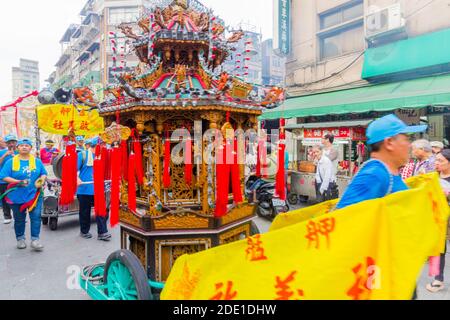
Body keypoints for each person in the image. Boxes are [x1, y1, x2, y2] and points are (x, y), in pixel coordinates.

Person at [337, 115, 427, 210]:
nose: (410, 145)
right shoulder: (374, 175)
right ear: (389, 143)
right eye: (406, 139)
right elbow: (345, 219)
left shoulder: (387, 173)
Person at [0, 138, 47, 251]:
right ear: (18, 148)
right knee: (19, 219)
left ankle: (35, 240)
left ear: (30, 148)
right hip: (16, 196)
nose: (24, 147)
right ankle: (20, 238)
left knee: (36, 217)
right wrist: (17, 182)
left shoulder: (37, 161)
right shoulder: (10, 161)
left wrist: (41, 180)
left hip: (34, 195)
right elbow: (3, 176)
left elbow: (43, 173)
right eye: (22, 145)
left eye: (27, 145)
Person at [77, 137, 111, 241]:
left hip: (99, 189)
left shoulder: (103, 155)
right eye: (102, 145)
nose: (104, 147)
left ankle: (102, 232)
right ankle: (84, 231)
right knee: (84, 212)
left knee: (102, 210)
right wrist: (77, 179)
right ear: (96, 146)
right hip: (84, 189)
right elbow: (74, 170)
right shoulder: (82, 155)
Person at [426, 149, 450, 293]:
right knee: (439, 248)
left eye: (440, 161)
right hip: (438, 219)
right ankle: (438, 278)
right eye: (436, 160)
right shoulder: (433, 177)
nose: (437, 163)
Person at [0, 134, 19, 224]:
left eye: (13, 142)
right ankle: (7, 216)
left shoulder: (20, 152)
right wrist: (4, 156)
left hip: (17, 179)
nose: (11, 144)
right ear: (6, 144)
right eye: (9, 143)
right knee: (5, 198)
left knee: (17, 197)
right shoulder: (1, 152)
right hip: (3, 180)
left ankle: (18, 215)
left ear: (16, 143)